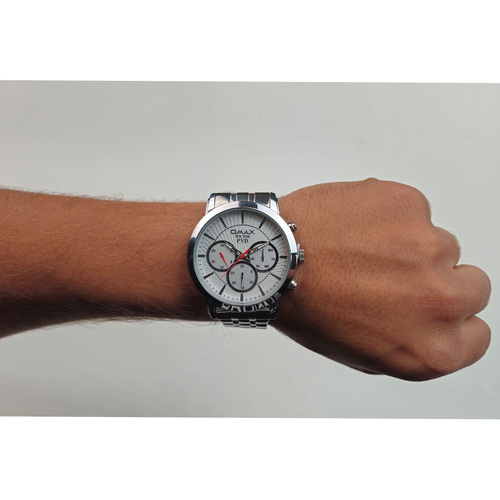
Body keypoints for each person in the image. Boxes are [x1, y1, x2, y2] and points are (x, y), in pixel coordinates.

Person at [0, 178, 491, 381]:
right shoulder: (259, 265)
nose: (237, 260)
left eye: (246, 256)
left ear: (293, 248)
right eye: (232, 257)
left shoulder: (271, 256)